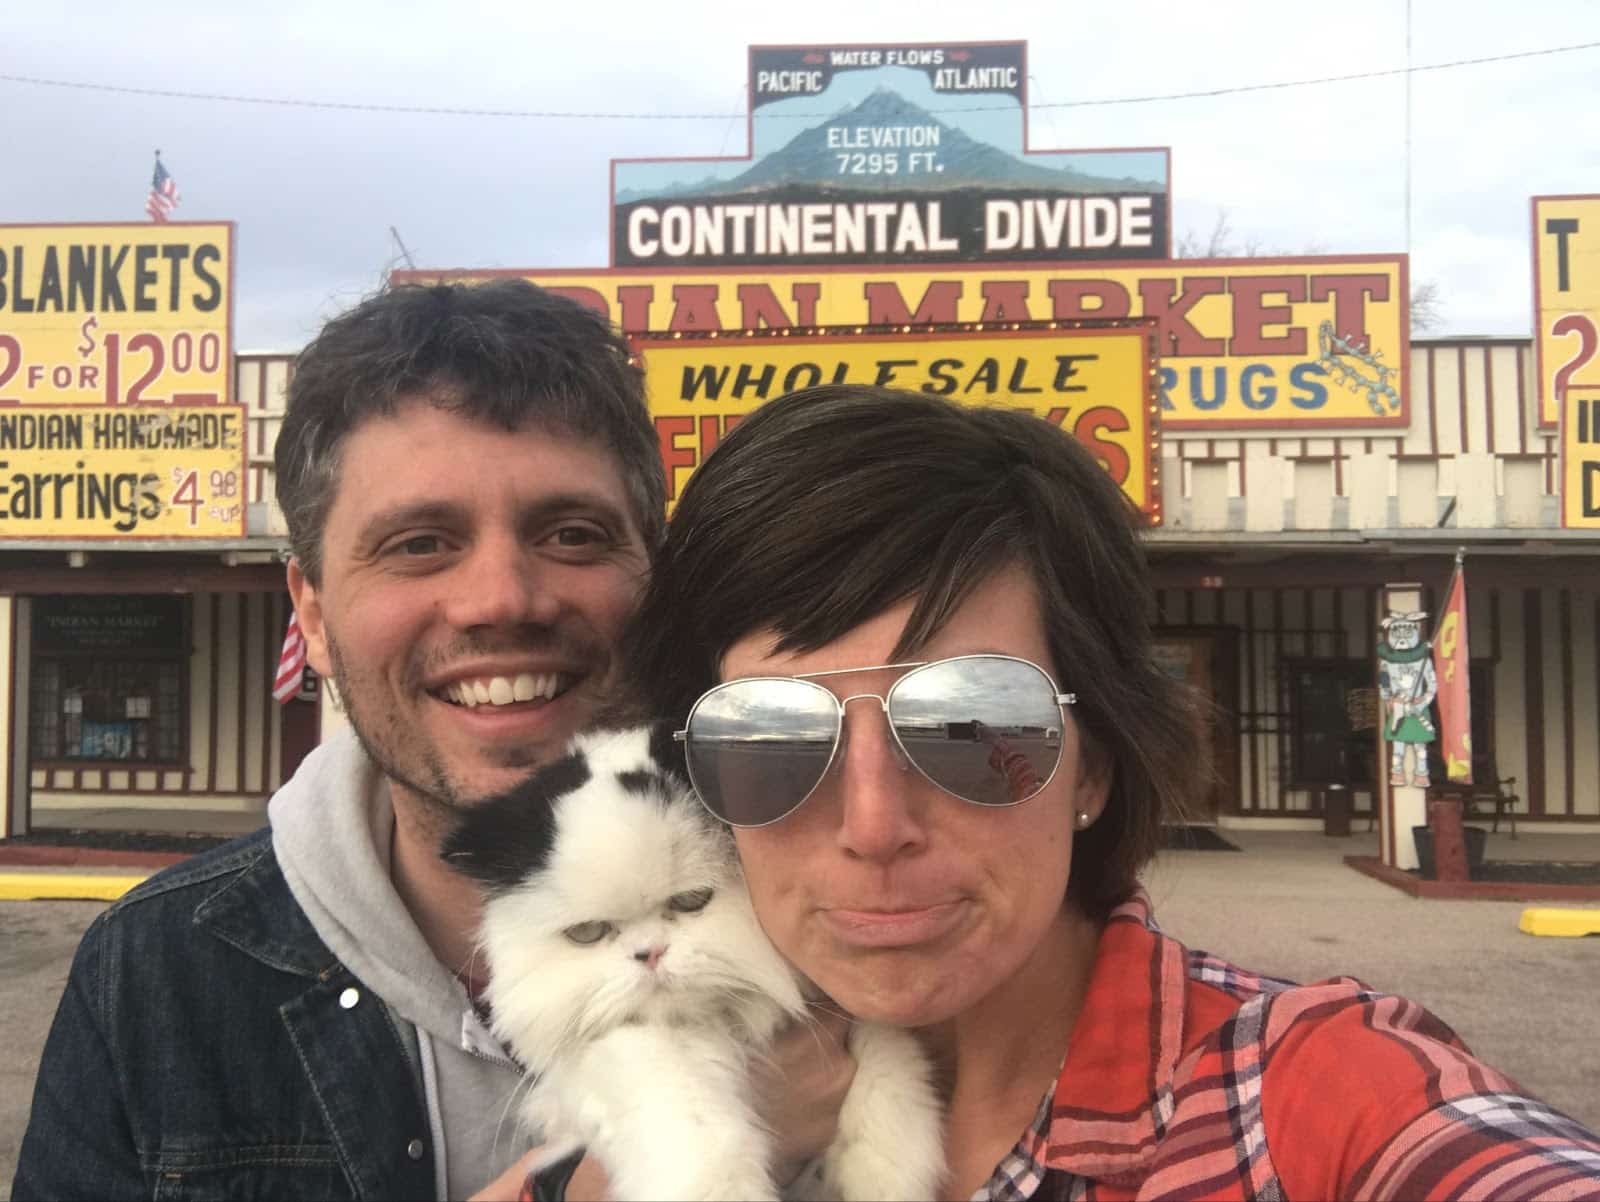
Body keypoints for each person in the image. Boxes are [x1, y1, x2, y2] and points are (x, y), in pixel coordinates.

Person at [622, 384, 1600, 1201]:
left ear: (1090, 760)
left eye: (975, 722)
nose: (873, 824)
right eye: (771, 735)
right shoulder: (668, 1099)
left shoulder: (1302, 1096)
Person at [11, 281, 852, 1201]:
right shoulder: (157, 978)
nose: (502, 599)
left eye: (572, 534)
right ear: (314, 614)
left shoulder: (850, 894)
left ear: (656, 576)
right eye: (419, 543)